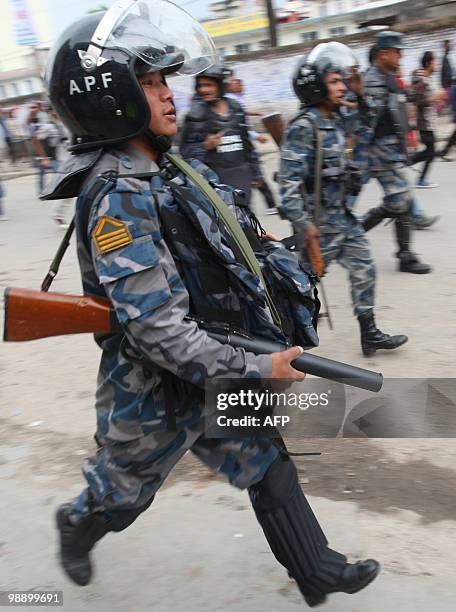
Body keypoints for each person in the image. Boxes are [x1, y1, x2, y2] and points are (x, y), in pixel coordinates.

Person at [41, 1, 380, 607]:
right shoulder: (118, 194)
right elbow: (157, 331)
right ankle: (78, 521)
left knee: (265, 461)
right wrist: (255, 368)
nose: (168, 93)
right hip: (155, 387)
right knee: (123, 495)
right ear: (108, 98)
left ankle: (318, 573)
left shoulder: (160, 170)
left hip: (214, 361)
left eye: (163, 79)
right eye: (148, 82)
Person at [279, 42, 408, 357]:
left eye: (341, 80)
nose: (341, 87)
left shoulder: (335, 119)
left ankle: (370, 333)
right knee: (301, 287)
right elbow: (288, 182)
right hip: (318, 224)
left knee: (365, 267)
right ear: (316, 86)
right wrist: (304, 225)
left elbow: (366, 123)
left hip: (342, 218)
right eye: (335, 81)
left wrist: (360, 93)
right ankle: (285, 345)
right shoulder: (305, 126)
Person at [358, 31, 432, 274]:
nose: (401, 56)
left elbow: (401, 101)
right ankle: (404, 255)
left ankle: (354, 233)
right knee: (401, 200)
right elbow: (367, 124)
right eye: (397, 52)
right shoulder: (372, 81)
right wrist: (358, 158)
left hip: (390, 151)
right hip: (379, 153)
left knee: (401, 201)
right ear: (383, 54)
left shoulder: (386, 77)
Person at [180, 64, 261, 207]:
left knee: (246, 220)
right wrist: (205, 146)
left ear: (220, 85)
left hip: (242, 176)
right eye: (200, 85)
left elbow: (247, 142)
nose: (203, 89)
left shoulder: (236, 108)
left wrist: (256, 171)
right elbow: (184, 152)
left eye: (209, 85)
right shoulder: (195, 115)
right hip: (216, 181)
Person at [225, 76, 279, 214]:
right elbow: (240, 125)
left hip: (245, 141)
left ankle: (257, 206)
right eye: (235, 83)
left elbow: (243, 115)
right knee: (255, 174)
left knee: (253, 174)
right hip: (244, 142)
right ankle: (268, 205)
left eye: (240, 82)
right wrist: (255, 135)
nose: (240, 85)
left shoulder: (236, 98)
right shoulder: (231, 99)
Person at [409, 51, 443, 188]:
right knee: (430, 152)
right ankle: (410, 167)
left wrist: (438, 100)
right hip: (424, 123)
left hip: (429, 122)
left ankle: (417, 175)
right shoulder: (421, 78)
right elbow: (417, 101)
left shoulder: (427, 77)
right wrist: (434, 98)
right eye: (435, 62)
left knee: (430, 152)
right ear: (428, 63)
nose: (437, 65)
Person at [437, 76, 456, 161]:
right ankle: (444, 152)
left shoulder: (451, 90)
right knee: (454, 136)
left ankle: (444, 152)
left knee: (454, 135)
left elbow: (448, 102)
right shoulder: (453, 90)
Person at [438, 39, 452, 114]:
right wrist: (447, 83)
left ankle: (438, 110)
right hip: (447, 82)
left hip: (446, 82)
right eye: (448, 45)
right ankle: (437, 110)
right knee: (445, 98)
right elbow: (446, 72)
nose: (450, 46)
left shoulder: (445, 57)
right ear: (444, 46)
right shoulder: (444, 58)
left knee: (445, 98)